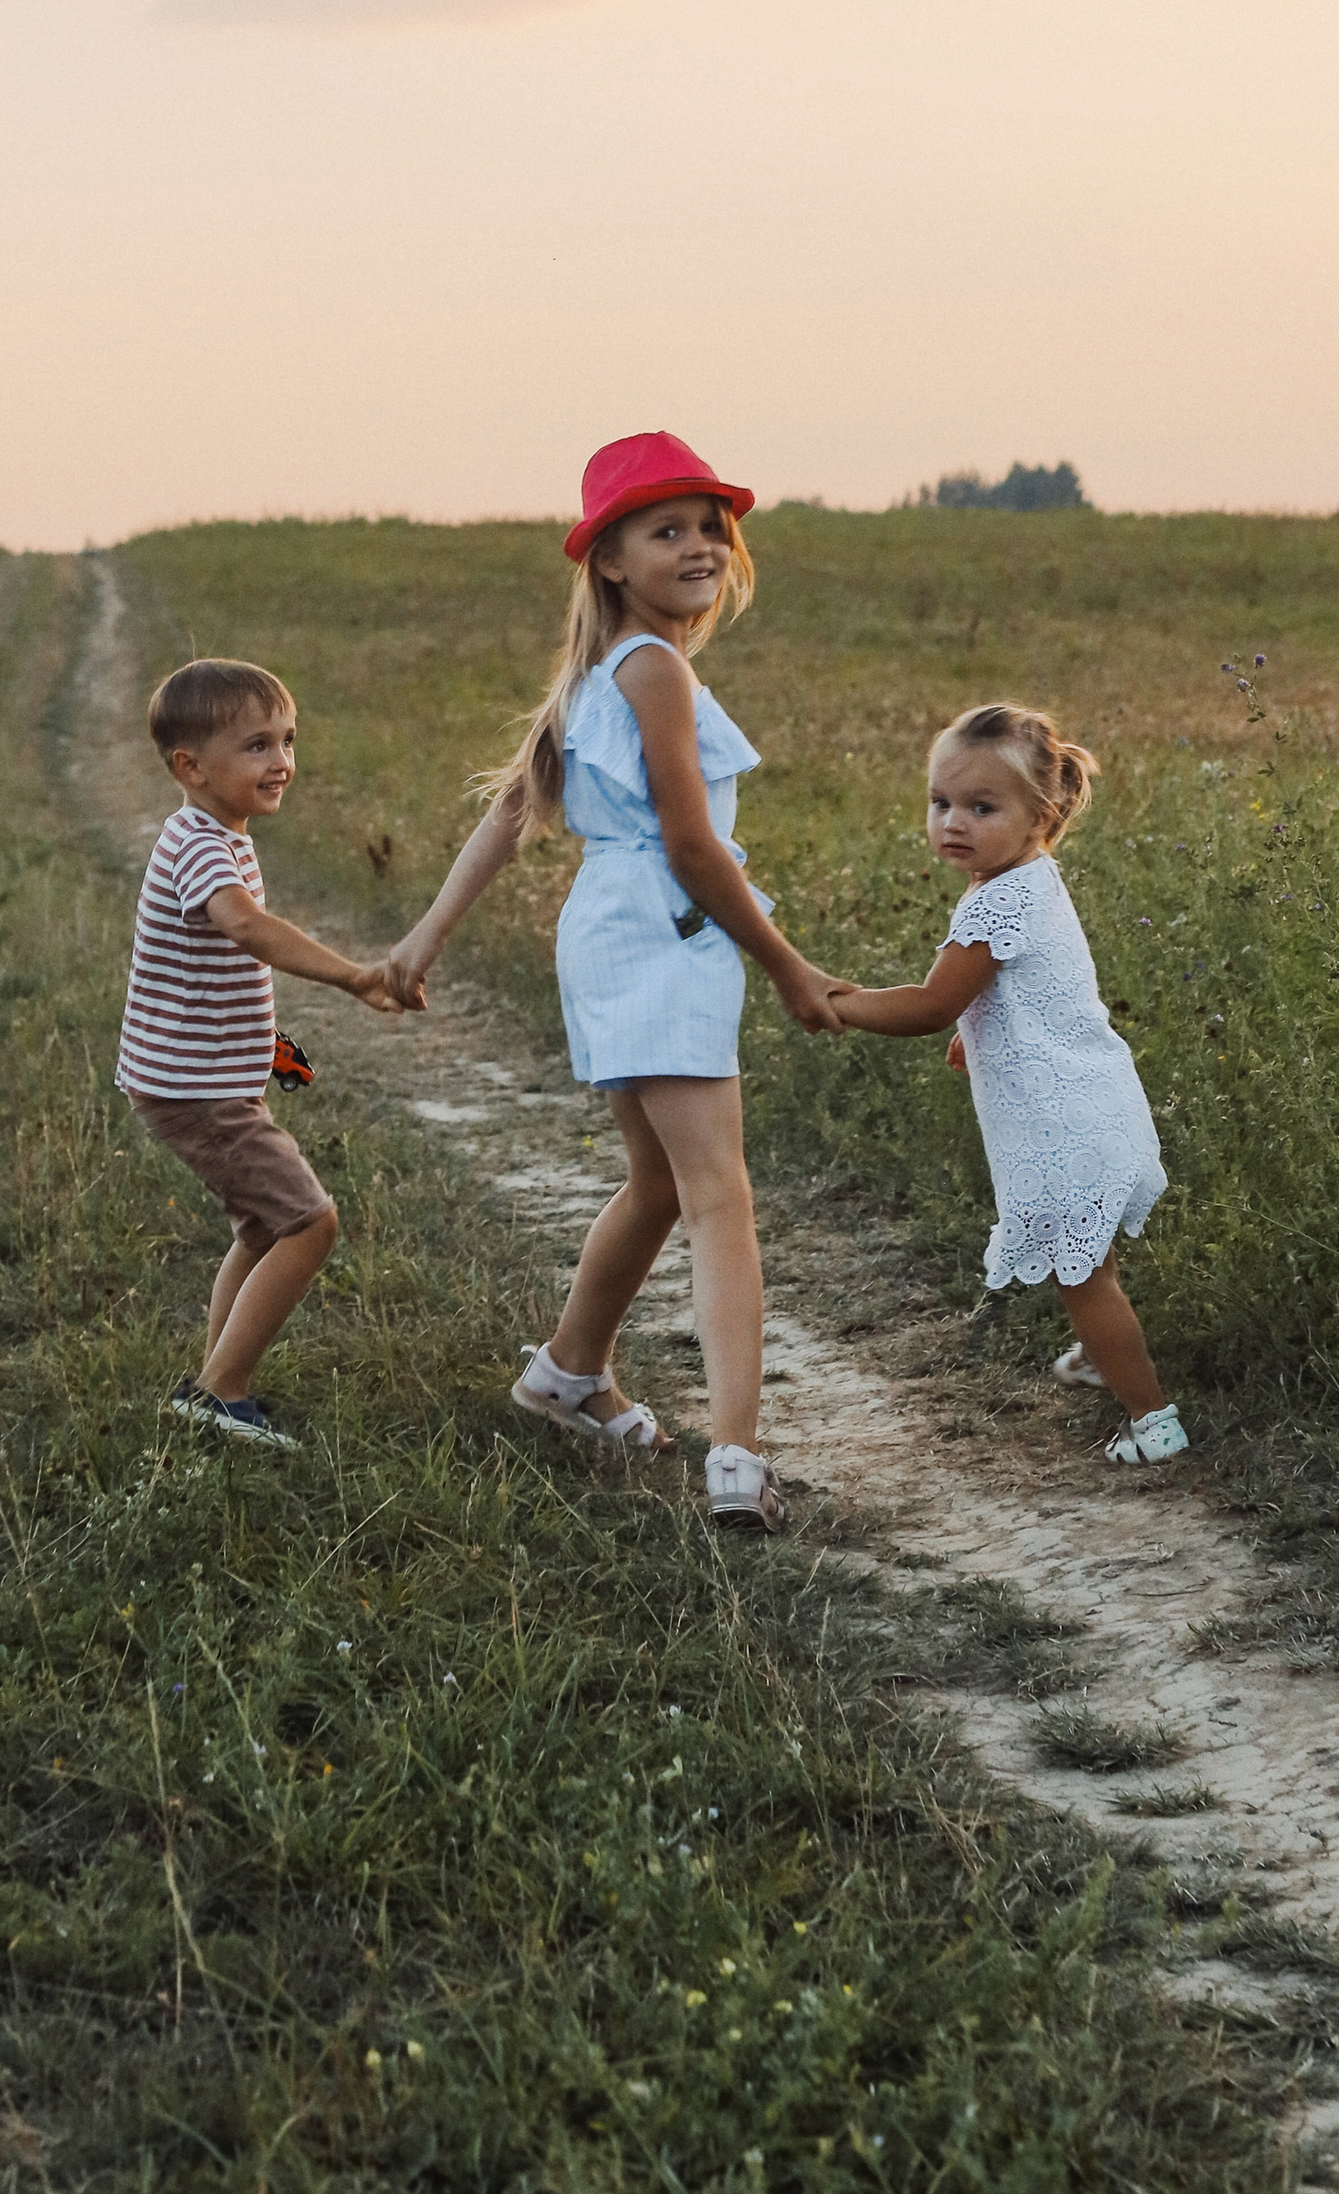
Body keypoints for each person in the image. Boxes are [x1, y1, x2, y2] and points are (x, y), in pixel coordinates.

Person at [385, 431, 841, 1530]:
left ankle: (567, 1375)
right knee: (719, 1195)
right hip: (663, 924)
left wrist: (424, 940)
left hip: (607, 929)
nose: (696, 546)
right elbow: (691, 845)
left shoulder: (601, 671)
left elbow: (509, 810)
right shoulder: (655, 671)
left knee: (658, 1184)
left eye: (707, 528)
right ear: (609, 559)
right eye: (664, 530)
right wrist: (785, 965)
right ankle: (735, 1456)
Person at [825, 702, 1187, 1465]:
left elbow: (929, 1005)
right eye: (941, 803)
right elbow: (1022, 992)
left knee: (1080, 1272)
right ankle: (1104, 1354)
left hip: (1065, 1122)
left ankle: (1154, 1419)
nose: (953, 822)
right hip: (1092, 1099)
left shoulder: (998, 902)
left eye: (981, 808)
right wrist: (977, 1034)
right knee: (1085, 1264)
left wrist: (839, 1002)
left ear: (1041, 815)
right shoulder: (1030, 880)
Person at [117, 654, 402, 1448]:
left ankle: (214, 1381)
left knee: (262, 1228)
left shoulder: (217, 834)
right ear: (191, 767)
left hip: (199, 1079)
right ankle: (221, 1391)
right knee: (310, 1223)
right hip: (192, 1088)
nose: (281, 762)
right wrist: (352, 977)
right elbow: (244, 927)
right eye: (256, 746)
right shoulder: (204, 845)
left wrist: (272, 1053)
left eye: (286, 740)